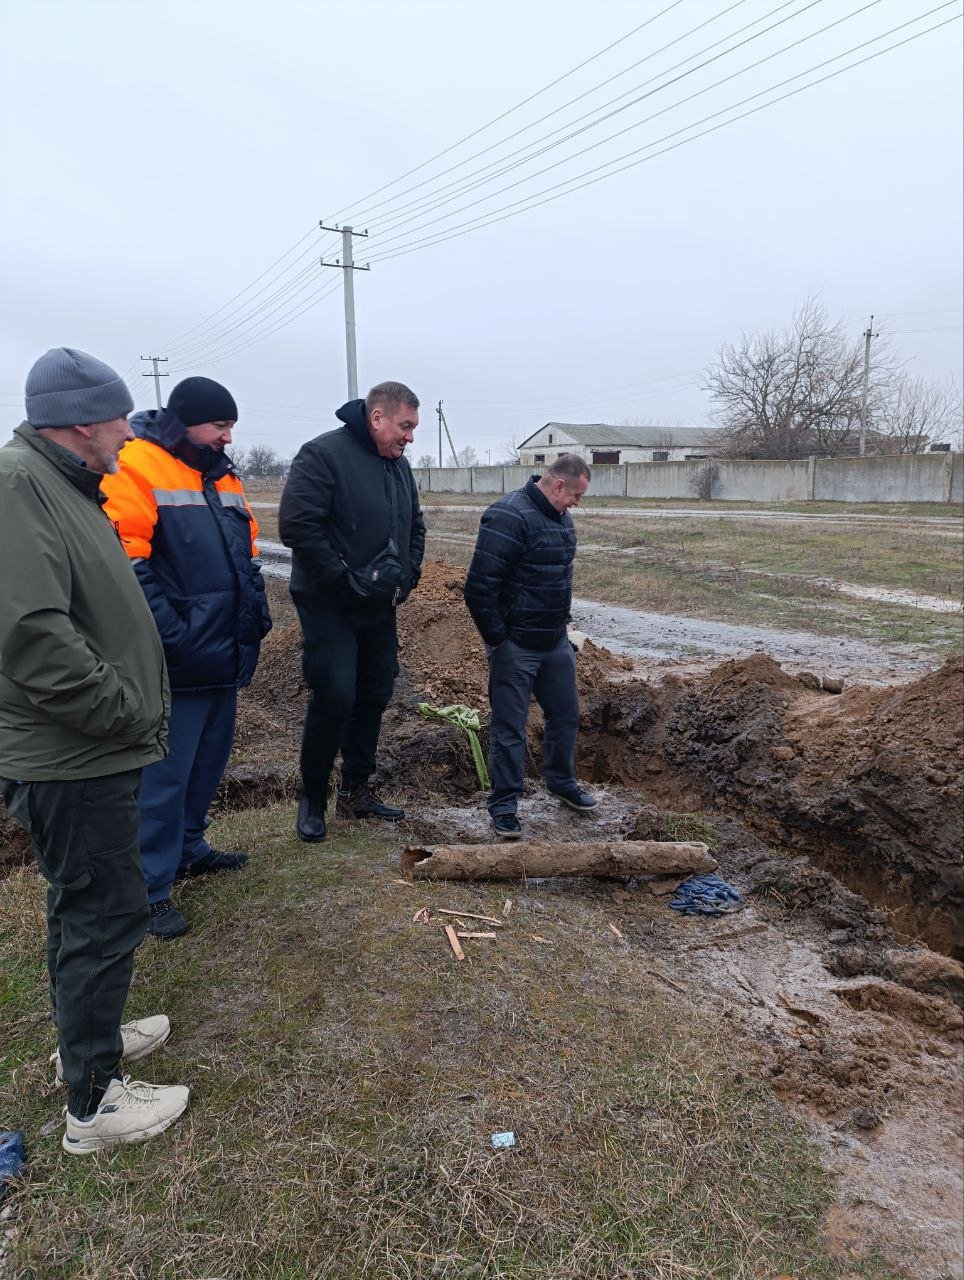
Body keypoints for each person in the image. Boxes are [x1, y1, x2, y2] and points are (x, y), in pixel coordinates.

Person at [0, 347, 189, 1152]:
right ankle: (94, 1106)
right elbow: (32, 636)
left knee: (85, 905)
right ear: (82, 420)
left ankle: (88, 1045)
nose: (128, 429)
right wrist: (121, 711)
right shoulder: (18, 485)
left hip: (86, 748)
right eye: (118, 416)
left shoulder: (63, 482)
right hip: (71, 753)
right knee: (104, 911)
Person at [101, 377, 271, 939]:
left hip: (222, 654)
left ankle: (190, 847)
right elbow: (127, 567)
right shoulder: (136, 466)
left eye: (231, 427)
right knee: (163, 779)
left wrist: (257, 616)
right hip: (176, 659)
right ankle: (149, 890)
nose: (228, 437)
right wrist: (171, 634)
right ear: (188, 421)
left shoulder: (222, 473)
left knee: (207, 764)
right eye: (220, 426)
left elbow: (247, 557)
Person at [279, 381, 426, 842]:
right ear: (377, 416)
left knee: (375, 691)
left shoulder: (398, 467)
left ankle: (356, 791)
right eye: (405, 426)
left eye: (414, 428)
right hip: (330, 603)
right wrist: (345, 582)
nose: (410, 437)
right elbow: (299, 527)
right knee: (336, 694)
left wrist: (409, 575)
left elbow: (414, 525)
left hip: (379, 606)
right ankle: (313, 799)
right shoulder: (323, 455)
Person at [464, 454, 598, 840]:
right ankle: (504, 805)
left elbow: (555, 576)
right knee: (510, 729)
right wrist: (500, 642)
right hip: (515, 647)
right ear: (558, 485)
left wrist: (563, 626)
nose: (577, 503)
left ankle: (559, 781)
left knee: (566, 714)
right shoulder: (508, 516)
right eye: (576, 495)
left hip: (554, 641)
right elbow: (479, 588)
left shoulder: (560, 518)